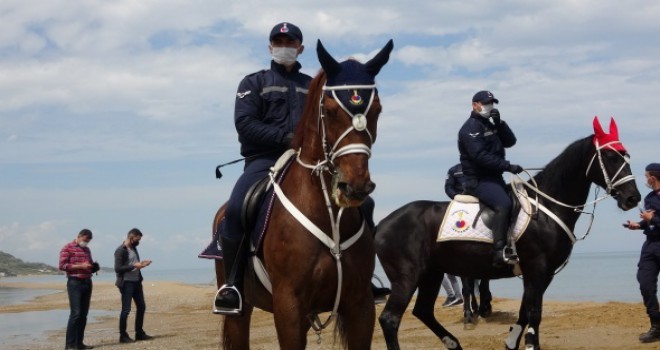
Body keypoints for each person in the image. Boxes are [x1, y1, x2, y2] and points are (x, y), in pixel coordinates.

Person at [457, 90, 522, 267]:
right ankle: (499, 252)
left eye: (491, 103)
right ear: (475, 105)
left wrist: (500, 123)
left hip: (494, 178)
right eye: (486, 103)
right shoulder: (470, 128)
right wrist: (508, 166)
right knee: (504, 204)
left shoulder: (490, 124)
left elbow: (510, 141)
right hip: (478, 180)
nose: (489, 106)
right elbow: (480, 157)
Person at [625, 163, 660, 343]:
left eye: (646, 176)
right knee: (645, 283)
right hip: (650, 246)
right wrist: (639, 225)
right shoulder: (648, 198)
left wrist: (652, 218)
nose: (645, 179)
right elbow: (650, 222)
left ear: (653, 178)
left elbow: (653, 219)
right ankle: (656, 326)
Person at [59, 228, 98, 350]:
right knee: (76, 313)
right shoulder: (67, 247)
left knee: (84, 314)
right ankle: (69, 345)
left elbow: (89, 264)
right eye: (85, 240)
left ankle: (79, 343)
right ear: (80, 236)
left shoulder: (87, 249)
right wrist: (81, 266)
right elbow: (62, 266)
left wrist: (93, 267)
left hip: (87, 281)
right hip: (75, 282)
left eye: (88, 241)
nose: (86, 243)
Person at [114, 228, 153, 343]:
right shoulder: (120, 250)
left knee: (141, 307)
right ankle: (123, 335)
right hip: (126, 283)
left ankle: (139, 333)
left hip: (136, 282)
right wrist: (134, 266)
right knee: (126, 309)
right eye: (137, 239)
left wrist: (142, 264)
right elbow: (118, 268)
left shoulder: (134, 248)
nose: (138, 242)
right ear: (131, 237)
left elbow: (135, 265)